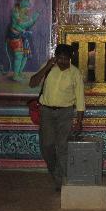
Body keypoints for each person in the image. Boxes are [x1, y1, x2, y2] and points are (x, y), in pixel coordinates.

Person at [29, 44, 85, 191]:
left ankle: (61, 181)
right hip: (46, 112)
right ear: (55, 57)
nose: (62, 61)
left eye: (66, 59)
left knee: (62, 147)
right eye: (60, 58)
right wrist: (46, 67)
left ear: (70, 59)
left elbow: (80, 98)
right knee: (46, 146)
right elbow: (32, 83)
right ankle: (55, 171)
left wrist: (79, 121)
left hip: (65, 113)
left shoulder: (75, 73)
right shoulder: (49, 69)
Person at [5, 0, 39, 82]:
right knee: (19, 55)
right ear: (20, 0)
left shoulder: (25, 11)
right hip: (14, 36)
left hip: (22, 36)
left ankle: (19, 73)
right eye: (26, 0)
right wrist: (33, 19)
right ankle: (15, 75)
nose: (29, 3)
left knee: (25, 55)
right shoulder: (15, 11)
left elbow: (25, 26)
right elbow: (23, 25)